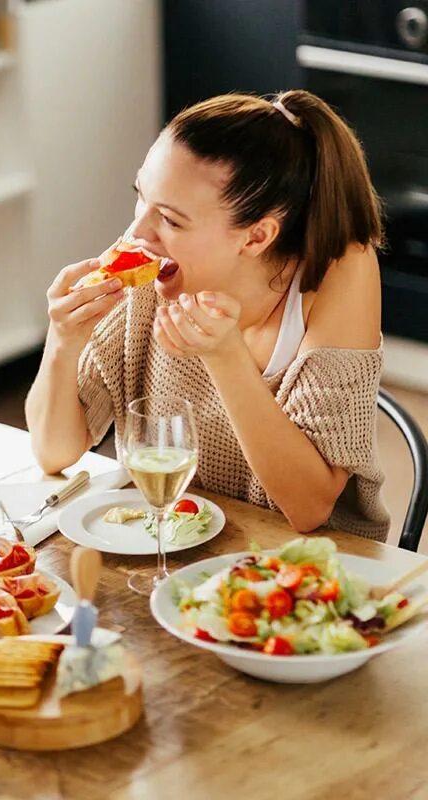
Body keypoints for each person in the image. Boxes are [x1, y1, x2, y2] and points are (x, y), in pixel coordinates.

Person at [26, 90, 388, 539]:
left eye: (172, 221)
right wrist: (63, 340)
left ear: (256, 237)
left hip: (306, 568)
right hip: (171, 541)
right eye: (141, 197)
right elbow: (53, 452)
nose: (139, 231)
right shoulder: (152, 256)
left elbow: (311, 508)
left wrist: (224, 355)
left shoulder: (340, 270)